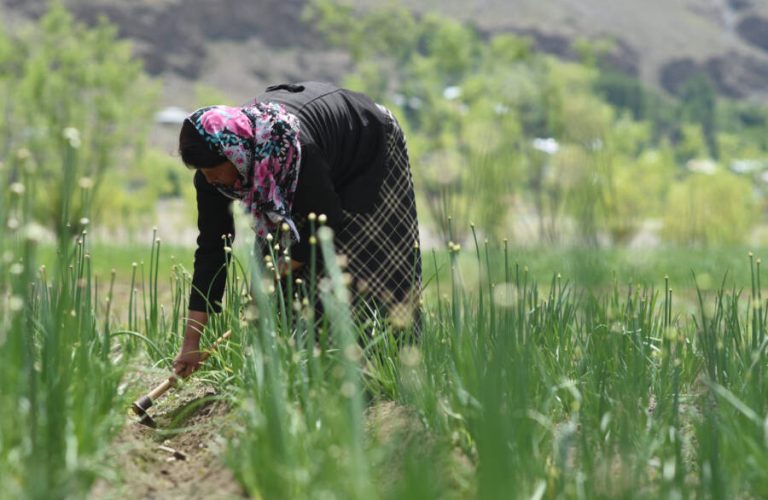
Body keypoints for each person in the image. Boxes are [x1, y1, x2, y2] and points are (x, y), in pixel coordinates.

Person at [173, 82, 422, 377]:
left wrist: (273, 276)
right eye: (203, 174)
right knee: (280, 279)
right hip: (310, 172)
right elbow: (212, 249)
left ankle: (380, 368)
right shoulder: (214, 176)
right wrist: (191, 342)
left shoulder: (295, 145)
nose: (211, 180)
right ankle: (302, 370)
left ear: (236, 154)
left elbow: (325, 219)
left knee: (355, 265)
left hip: (366, 144)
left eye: (214, 172)